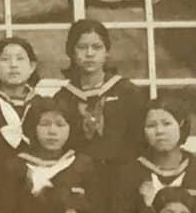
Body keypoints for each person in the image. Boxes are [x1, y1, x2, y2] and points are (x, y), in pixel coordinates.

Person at [49, 18, 146, 168]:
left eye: (97, 47)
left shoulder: (127, 91)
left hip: (123, 173)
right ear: (72, 52)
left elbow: (142, 137)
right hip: (81, 176)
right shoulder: (64, 98)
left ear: (106, 51)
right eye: (82, 47)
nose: (89, 53)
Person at [9, 100, 99, 213]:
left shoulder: (82, 164)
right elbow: (8, 212)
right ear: (32, 127)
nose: (52, 131)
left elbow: (93, 211)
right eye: (44, 124)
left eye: (60, 124)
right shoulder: (17, 166)